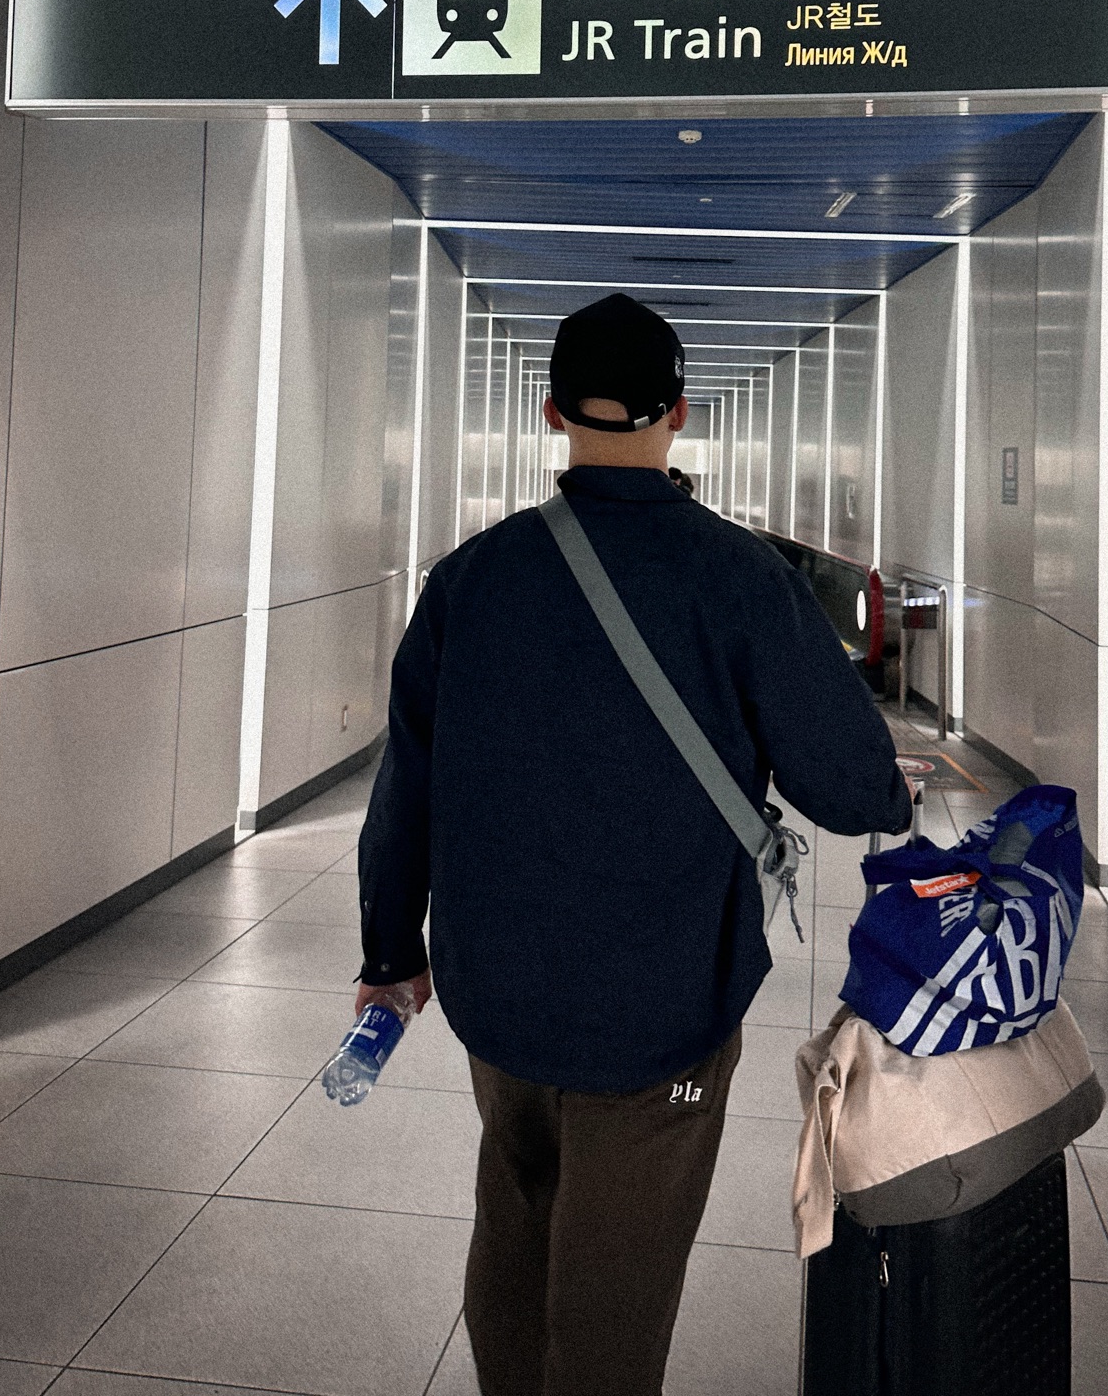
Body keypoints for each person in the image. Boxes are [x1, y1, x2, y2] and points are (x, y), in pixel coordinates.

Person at [356, 293, 911, 1396]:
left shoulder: (470, 578)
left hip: (497, 995)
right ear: (684, 413)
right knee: (616, 1282)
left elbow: (403, 785)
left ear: (554, 411)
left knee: (515, 1216)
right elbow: (855, 789)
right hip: (662, 1009)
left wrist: (390, 953)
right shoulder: (742, 578)